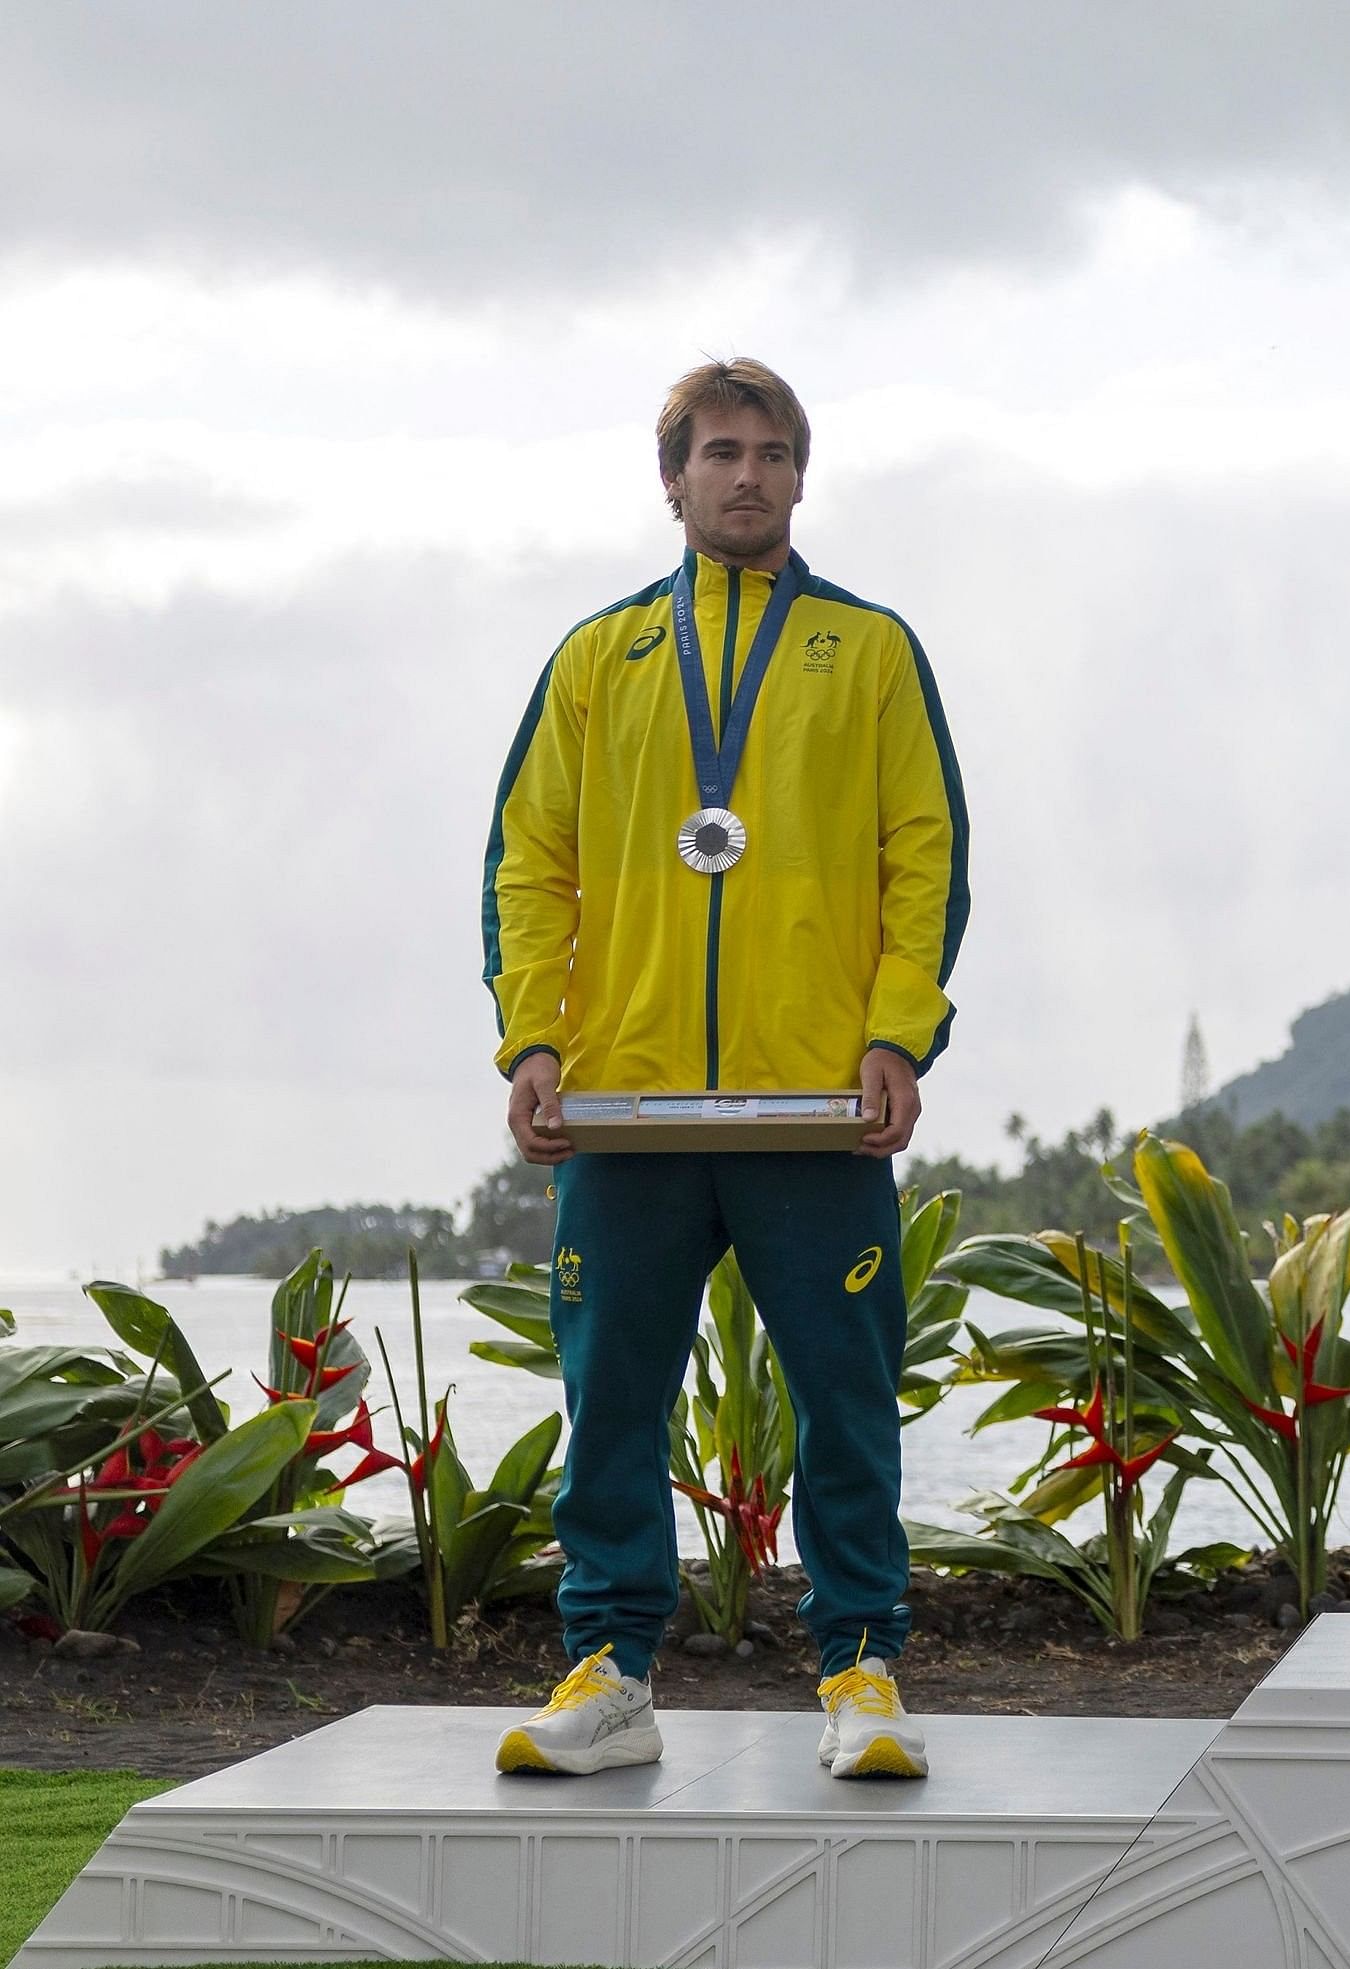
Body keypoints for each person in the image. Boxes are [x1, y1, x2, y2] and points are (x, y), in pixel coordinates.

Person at [481, 358, 969, 1778]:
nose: (744, 474)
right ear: (673, 478)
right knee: (614, 1395)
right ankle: (611, 1672)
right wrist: (533, 1035)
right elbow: (530, 861)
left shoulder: (870, 650)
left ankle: (862, 1668)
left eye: (769, 452)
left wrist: (895, 1031)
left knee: (846, 1394)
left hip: (815, 1104)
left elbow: (922, 855)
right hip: (625, 1108)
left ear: (801, 477)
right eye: (718, 451)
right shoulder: (596, 660)